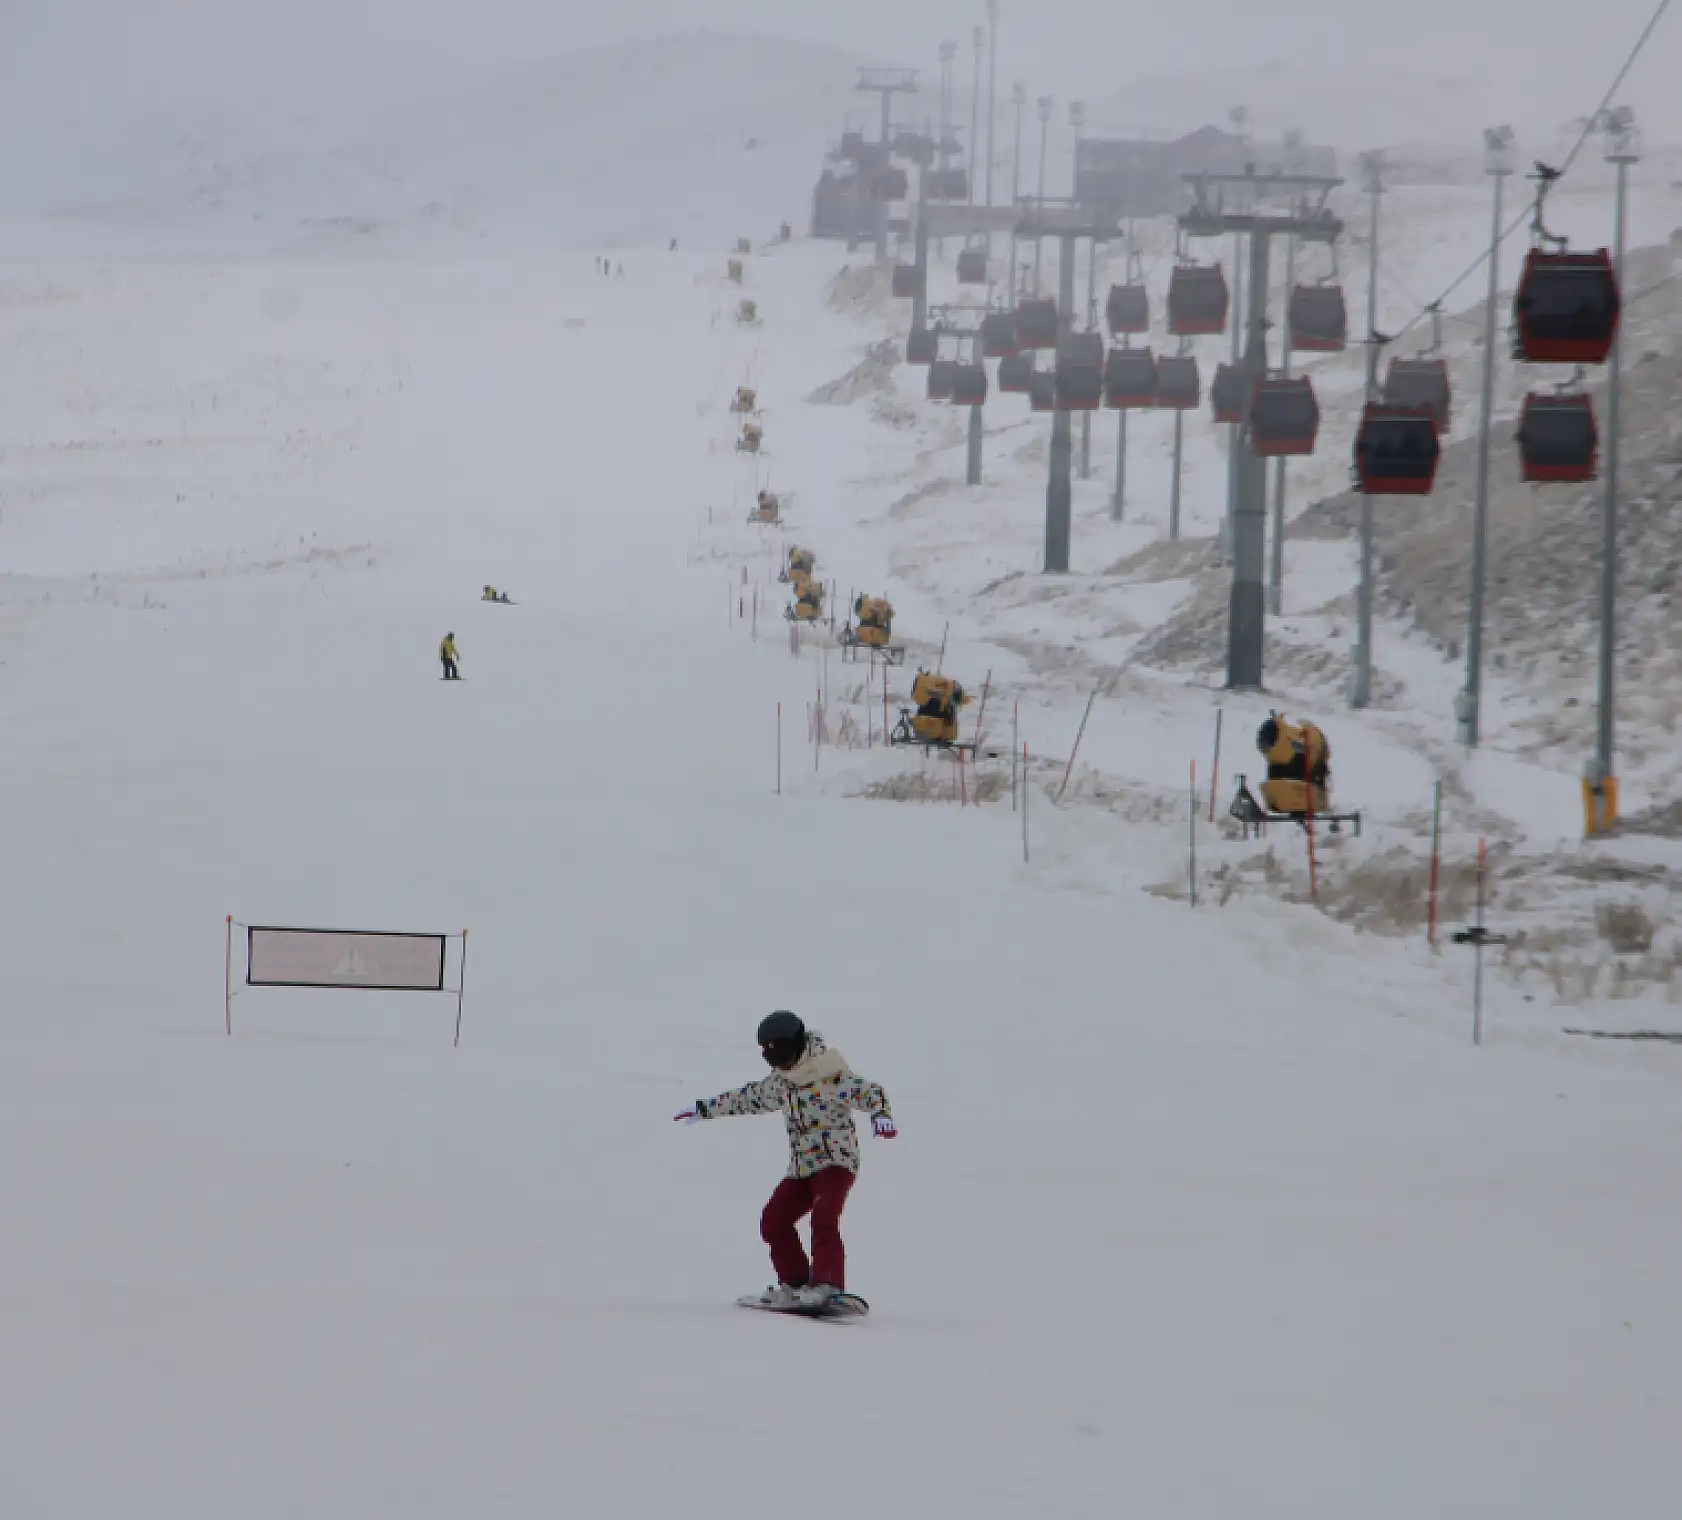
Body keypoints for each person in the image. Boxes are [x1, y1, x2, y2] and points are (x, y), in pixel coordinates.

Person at [674, 1011, 895, 1309]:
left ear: (796, 1044)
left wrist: (880, 1115)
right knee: (774, 1221)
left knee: (824, 1218)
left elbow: (871, 1093)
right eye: (769, 1055)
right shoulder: (781, 1083)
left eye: (780, 1052)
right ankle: (797, 1285)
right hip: (802, 1168)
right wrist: (704, 1108)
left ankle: (828, 1286)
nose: (778, 1061)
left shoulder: (829, 1074)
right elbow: (746, 1098)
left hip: (836, 1163)